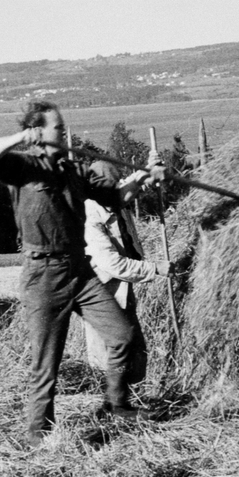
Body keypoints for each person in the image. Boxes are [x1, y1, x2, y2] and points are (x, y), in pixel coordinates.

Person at [0, 101, 163, 449]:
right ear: (38, 132)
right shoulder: (23, 167)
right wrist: (20, 137)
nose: (66, 134)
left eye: (64, 129)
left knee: (122, 334)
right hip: (43, 275)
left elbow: (116, 197)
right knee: (47, 362)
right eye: (59, 129)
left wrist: (144, 177)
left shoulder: (72, 171)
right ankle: (38, 434)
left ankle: (116, 405)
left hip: (81, 269)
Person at [82, 160, 171, 386]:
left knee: (136, 355)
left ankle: (130, 401)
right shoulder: (90, 216)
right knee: (109, 361)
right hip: (102, 295)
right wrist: (155, 268)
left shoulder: (109, 199)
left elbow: (125, 192)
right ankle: (112, 408)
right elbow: (112, 264)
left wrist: (148, 172)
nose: (117, 196)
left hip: (122, 291)